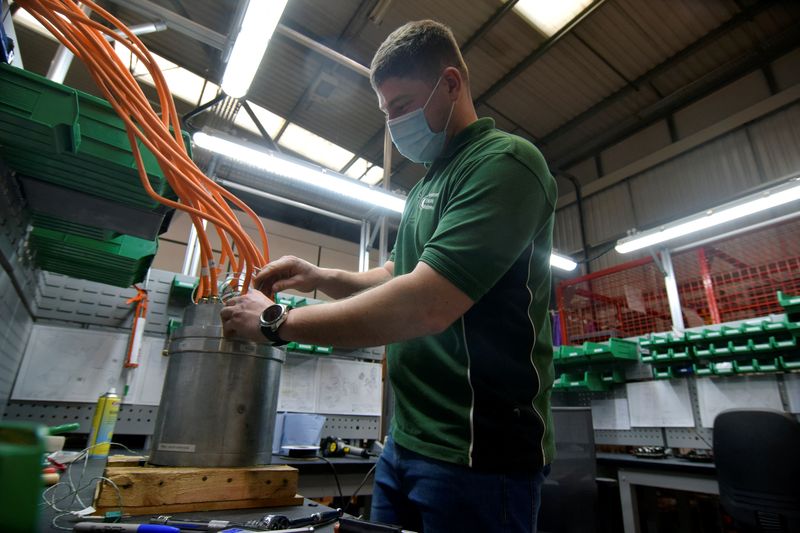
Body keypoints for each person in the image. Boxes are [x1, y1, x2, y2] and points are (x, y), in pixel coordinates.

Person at [220, 19, 557, 533]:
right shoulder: (430, 184)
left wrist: (276, 323)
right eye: (387, 112)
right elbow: (398, 274)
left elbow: (426, 302)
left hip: (478, 452)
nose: (394, 125)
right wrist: (319, 275)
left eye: (401, 107)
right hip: (409, 440)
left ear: (450, 83)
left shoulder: (505, 163)